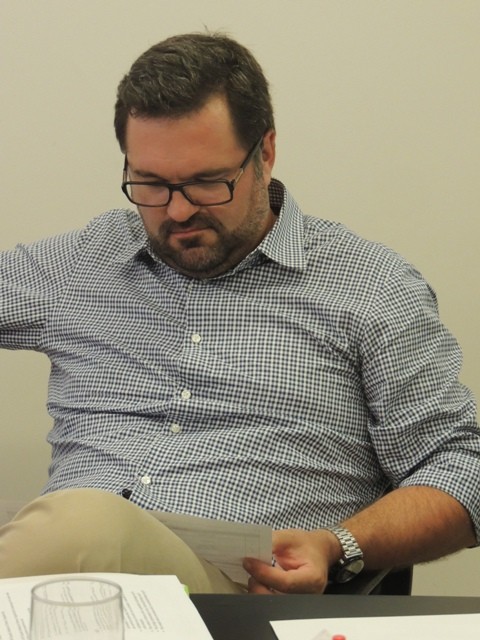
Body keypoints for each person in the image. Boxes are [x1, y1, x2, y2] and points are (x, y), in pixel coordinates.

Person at [0, 32, 479, 595]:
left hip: (239, 599)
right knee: (77, 528)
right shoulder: (85, 260)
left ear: (265, 154)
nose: (178, 210)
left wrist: (339, 545)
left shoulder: (370, 287)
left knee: (83, 524)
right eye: (150, 184)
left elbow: (463, 466)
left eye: (207, 182)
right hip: (66, 596)